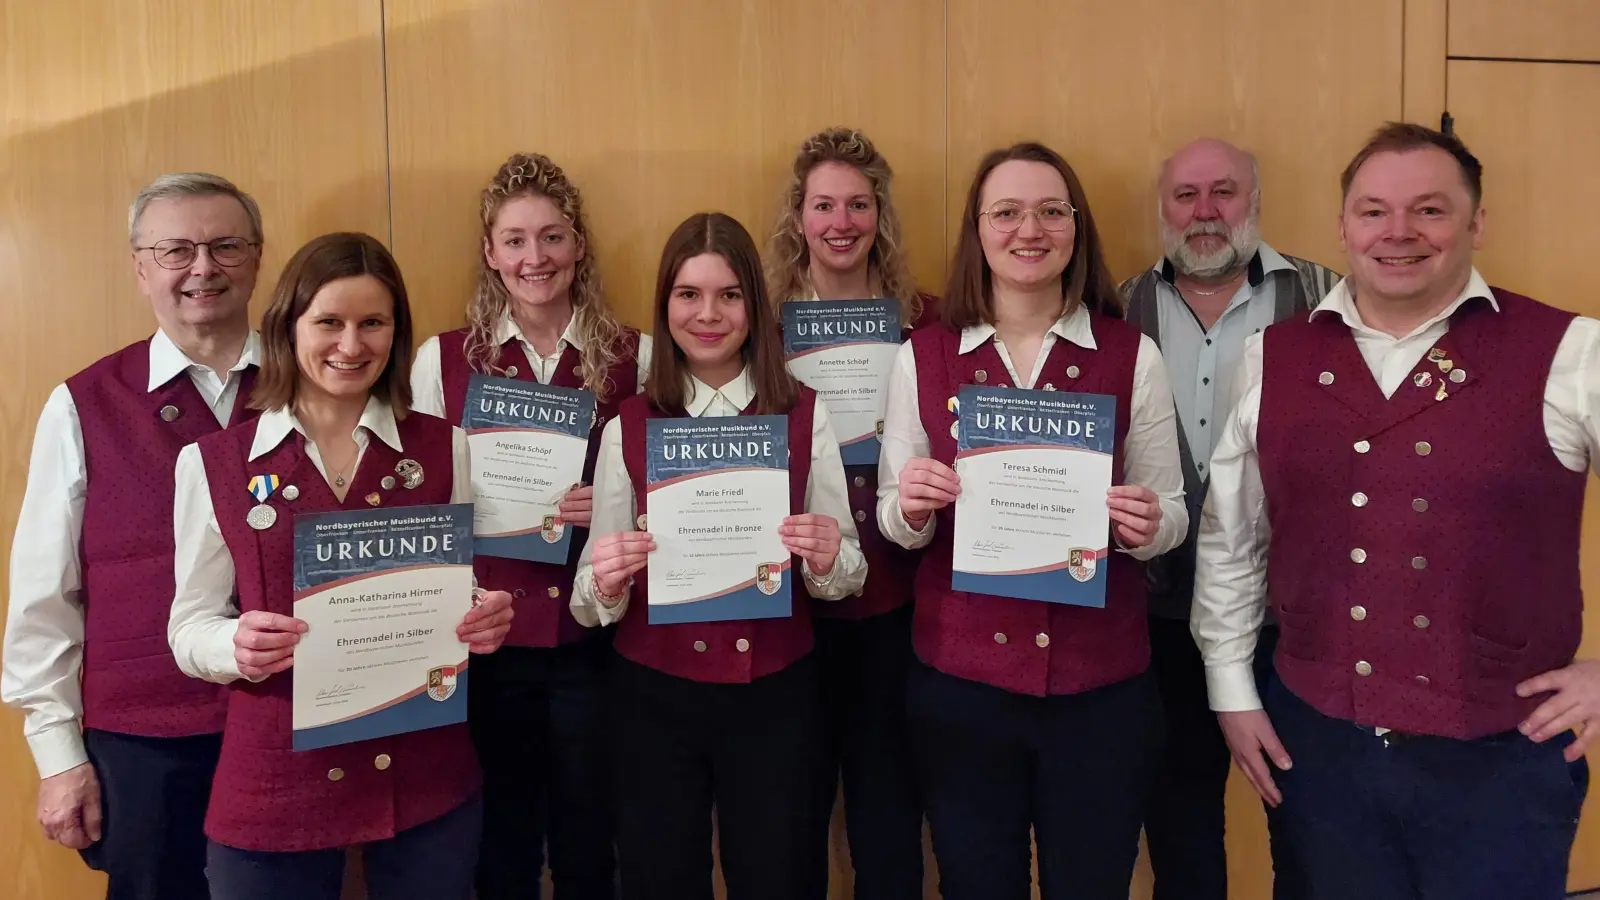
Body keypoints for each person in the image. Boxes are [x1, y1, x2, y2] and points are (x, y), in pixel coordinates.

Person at [1191, 121, 1599, 900]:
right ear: (1343, 226)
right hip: (1316, 750)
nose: (1399, 232)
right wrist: (1230, 690)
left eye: (1431, 210)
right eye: (1374, 211)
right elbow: (1232, 538)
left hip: (1501, 761)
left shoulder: (1573, 352)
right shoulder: (1271, 357)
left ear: (1475, 222)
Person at [876, 142, 1187, 900]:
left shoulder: (1130, 353)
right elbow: (893, 517)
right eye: (1007, 212)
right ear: (977, 231)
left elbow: (1172, 509)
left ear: (1076, 229)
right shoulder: (926, 355)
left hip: (1101, 691)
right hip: (963, 689)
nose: (1030, 230)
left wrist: (1146, 524)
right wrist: (912, 505)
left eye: (1052, 211)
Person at [166, 232, 515, 900]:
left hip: (424, 770)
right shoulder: (213, 463)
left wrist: (483, 614)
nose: (351, 346)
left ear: (395, 333)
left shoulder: (447, 448)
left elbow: (453, 584)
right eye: (329, 322)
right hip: (275, 777)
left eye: (372, 324)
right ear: (288, 326)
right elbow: (189, 627)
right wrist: (233, 644)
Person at [573, 212, 867, 900]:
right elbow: (589, 597)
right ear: (665, 305)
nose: (708, 314)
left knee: (780, 877)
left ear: (753, 307)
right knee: (658, 879)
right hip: (653, 698)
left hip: (776, 695)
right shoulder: (631, 424)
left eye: (729, 294)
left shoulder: (803, 414)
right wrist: (609, 577)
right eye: (688, 294)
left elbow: (847, 574)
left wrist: (826, 558)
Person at [1, 173, 265, 900]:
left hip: (287, 723)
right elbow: (42, 594)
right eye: (175, 250)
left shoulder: (314, 387)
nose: (203, 268)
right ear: (140, 266)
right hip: (145, 740)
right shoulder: (83, 403)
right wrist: (57, 756)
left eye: (224, 246)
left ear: (258, 256)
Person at [411, 152, 647, 899]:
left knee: (589, 840)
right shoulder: (443, 359)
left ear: (577, 246)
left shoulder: (633, 357)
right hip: (488, 643)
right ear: (490, 253)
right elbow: (422, 499)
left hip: (593, 639)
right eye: (514, 240)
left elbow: (660, 489)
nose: (533, 258)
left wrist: (609, 501)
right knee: (500, 845)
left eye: (551, 237)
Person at [1119, 137, 1338, 900]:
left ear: (1256, 201)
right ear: (1162, 207)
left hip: (1299, 618)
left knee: (1308, 820)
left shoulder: (1331, 298)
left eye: (1224, 192)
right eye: (1186, 195)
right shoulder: (1115, 308)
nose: (1205, 212)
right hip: (1155, 610)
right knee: (1178, 821)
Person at [765, 126, 929, 899]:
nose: (841, 222)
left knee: (888, 808)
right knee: (792, 811)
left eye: (858, 204)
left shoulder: (922, 322)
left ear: (880, 214)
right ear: (798, 215)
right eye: (823, 204)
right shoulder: (756, 325)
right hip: (788, 600)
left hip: (899, 596)